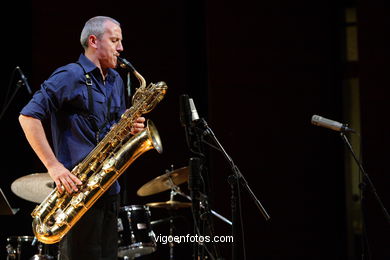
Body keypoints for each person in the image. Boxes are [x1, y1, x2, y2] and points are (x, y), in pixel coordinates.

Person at [19, 16, 145, 260]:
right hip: (77, 192)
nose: (121, 48)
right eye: (115, 40)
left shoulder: (116, 79)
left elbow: (111, 130)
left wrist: (128, 129)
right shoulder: (69, 75)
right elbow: (27, 117)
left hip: (109, 189)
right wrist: (53, 166)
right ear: (93, 41)